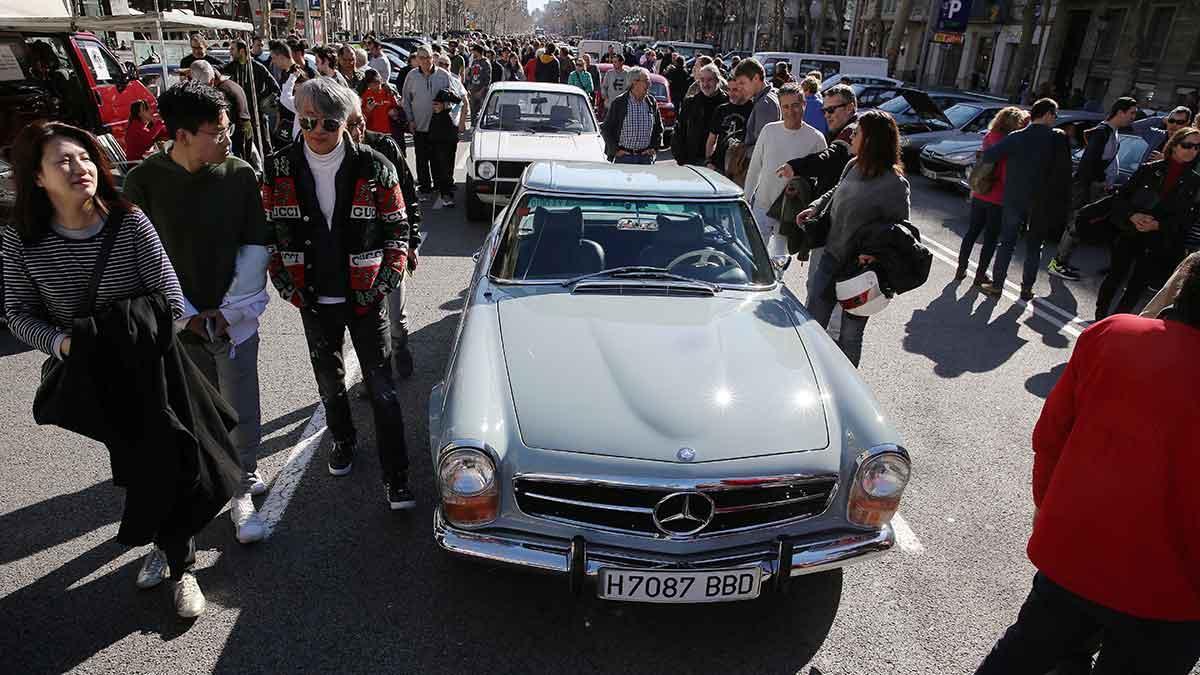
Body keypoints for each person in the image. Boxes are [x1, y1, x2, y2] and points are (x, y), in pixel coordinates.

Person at [1, 121, 236, 618]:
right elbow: (19, 314)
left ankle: (181, 566)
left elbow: (171, 296)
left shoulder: (129, 221)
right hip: (92, 372)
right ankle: (163, 540)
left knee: (174, 457)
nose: (80, 167)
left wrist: (140, 335)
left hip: (155, 364)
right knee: (136, 461)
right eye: (63, 160)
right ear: (37, 178)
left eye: (85, 157)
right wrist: (65, 343)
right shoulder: (21, 241)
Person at [975, 257, 1200, 675]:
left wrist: (1048, 511)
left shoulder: (1113, 335)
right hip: (1173, 591)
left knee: (1024, 654)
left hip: (1074, 552)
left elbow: (1050, 437)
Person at [123, 81, 270, 545]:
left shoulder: (240, 174)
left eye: (228, 128)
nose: (227, 139)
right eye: (217, 131)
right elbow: (136, 259)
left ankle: (242, 487)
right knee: (185, 418)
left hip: (233, 319)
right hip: (174, 324)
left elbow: (255, 246)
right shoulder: (144, 181)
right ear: (182, 134)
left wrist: (229, 311)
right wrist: (183, 314)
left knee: (241, 406)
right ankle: (190, 510)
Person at [261, 78, 415, 509]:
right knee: (330, 383)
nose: (316, 130)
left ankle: (397, 475)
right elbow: (270, 229)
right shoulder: (279, 167)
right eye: (306, 120)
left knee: (382, 389)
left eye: (327, 121)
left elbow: (397, 229)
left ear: (345, 121)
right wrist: (288, 285)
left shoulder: (375, 165)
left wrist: (384, 282)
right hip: (313, 297)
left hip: (366, 297)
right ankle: (343, 440)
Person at [795, 110, 911, 367]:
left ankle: (845, 390)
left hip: (861, 272)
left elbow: (901, 229)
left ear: (871, 139)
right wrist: (815, 206)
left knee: (850, 334)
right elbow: (836, 191)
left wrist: (876, 255)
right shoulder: (853, 164)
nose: (852, 136)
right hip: (831, 258)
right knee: (812, 323)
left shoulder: (894, 183)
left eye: (857, 133)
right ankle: (809, 375)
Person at [346, 103, 423, 378]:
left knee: (395, 319)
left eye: (360, 122)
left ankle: (400, 348)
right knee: (366, 322)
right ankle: (375, 376)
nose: (358, 130)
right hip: (356, 256)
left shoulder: (385, 147)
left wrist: (411, 242)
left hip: (390, 248)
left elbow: (409, 196)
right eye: (350, 124)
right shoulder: (331, 159)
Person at [1096, 126, 1200, 319]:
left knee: (1138, 285)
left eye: (1197, 147)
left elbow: (1188, 218)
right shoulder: (1149, 170)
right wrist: (1132, 215)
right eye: (1188, 145)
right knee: (1115, 276)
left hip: (1159, 241)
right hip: (1130, 233)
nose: (1193, 150)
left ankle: (1118, 321)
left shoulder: (1195, 183)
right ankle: (1100, 316)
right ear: (1174, 145)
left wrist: (1159, 225)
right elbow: (1119, 199)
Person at [978, 98, 1074, 299]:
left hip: (1014, 197)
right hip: (1042, 200)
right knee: (1034, 246)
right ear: (1047, 114)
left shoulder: (1016, 137)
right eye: (1055, 115)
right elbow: (1065, 172)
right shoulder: (1057, 138)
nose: (1055, 119)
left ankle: (997, 286)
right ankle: (1027, 289)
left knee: (1007, 242)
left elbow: (989, 156)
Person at [1048, 96, 1139, 281]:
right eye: (1131, 113)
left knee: (1079, 225)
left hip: (1093, 185)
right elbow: (1087, 164)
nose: (1133, 117)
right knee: (1075, 224)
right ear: (1120, 112)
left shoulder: (1111, 132)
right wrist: (1095, 183)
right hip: (1087, 186)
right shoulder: (1102, 132)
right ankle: (1057, 263)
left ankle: (1062, 262)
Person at [743, 83, 827, 241]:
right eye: (786, 106)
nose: (791, 111)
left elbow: (821, 179)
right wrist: (746, 200)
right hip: (762, 206)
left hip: (791, 211)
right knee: (758, 258)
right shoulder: (769, 130)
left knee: (780, 261)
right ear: (780, 107)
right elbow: (754, 168)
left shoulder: (816, 138)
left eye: (795, 105)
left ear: (804, 104)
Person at [955, 106, 1027, 289]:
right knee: (990, 238)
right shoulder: (1011, 143)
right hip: (998, 197)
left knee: (972, 232)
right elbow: (1006, 175)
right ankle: (980, 275)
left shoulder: (989, 137)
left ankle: (961, 268)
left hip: (980, 192)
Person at [402, 47, 456, 198]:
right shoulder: (411, 76)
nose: (425, 61)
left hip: (439, 126)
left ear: (433, 58)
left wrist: (444, 106)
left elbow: (455, 99)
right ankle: (425, 187)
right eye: (422, 58)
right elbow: (406, 100)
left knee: (439, 158)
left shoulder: (443, 75)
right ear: (417, 59)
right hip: (419, 125)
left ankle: (439, 186)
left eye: (428, 57)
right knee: (421, 159)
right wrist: (410, 120)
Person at [190, 61, 256, 169]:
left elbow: (222, 122)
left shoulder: (218, 93)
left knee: (236, 166)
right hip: (244, 127)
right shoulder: (230, 85)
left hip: (236, 132)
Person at [223, 39, 280, 157]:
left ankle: (268, 172)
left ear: (242, 51)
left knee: (264, 147)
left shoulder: (258, 67)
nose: (230, 52)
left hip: (257, 115)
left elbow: (275, 88)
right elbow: (218, 70)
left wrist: (260, 99)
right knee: (242, 148)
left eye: (233, 49)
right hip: (239, 116)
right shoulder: (232, 67)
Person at [600, 67, 662, 165]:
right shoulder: (619, 103)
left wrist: (654, 148)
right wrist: (615, 150)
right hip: (624, 157)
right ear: (634, 82)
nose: (649, 84)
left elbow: (658, 128)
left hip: (645, 158)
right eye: (646, 81)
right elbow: (606, 128)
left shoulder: (651, 102)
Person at [672, 63, 728, 166]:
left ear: (717, 80)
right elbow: (679, 131)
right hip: (692, 160)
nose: (705, 84)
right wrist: (680, 157)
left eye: (709, 80)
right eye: (702, 80)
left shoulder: (727, 104)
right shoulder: (690, 103)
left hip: (718, 164)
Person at [705, 77, 753, 176]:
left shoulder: (752, 109)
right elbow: (711, 139)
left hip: (740, 166)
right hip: (719, 166)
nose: (731, 93)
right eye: (729, 89)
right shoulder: (721, 109)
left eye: (735, 90)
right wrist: (708, 161)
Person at [731, 58, 779, 156]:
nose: (739, 88)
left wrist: (741, 151)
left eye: (742, 83)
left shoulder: (764, 105)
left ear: (756, 78)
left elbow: (762, 149)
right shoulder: (769, 97)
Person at [427, 88, 463, 209]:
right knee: (442, 170)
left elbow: (460, 102)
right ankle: (445, 195)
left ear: (445, 104)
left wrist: (449, 96)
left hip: (450, 144)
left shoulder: (451, 112)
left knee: (448, 169)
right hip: (437, 145)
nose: (434, 106)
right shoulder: (435, 116)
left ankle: (446, 191)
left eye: (437, 103)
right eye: (434, 103)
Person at [361, 69, 398, 135]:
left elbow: (398, 109)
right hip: (373, 132)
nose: (374, 86)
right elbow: (361, 116)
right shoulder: (365, 96)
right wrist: (368, 110)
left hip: (389, 131)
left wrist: (395, 112)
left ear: (380, 80)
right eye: (370, 84)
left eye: (376, 82)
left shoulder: (389, 93)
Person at [466, 44, 492, 126]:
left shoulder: (486, 63)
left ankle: (481, 127)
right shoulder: (474, 61)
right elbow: (471, 76)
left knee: (482, 111)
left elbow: (488, 79)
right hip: (473, 90)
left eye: (474, 51)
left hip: (482, 91)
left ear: (478, 51)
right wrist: (469, 88)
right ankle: (473, 126)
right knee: (473, 110)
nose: (473, 53)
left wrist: (482, 91)